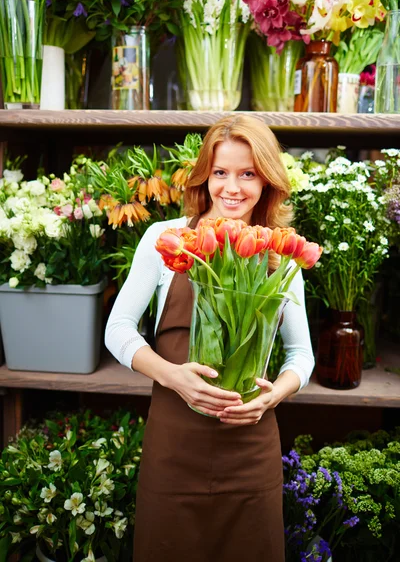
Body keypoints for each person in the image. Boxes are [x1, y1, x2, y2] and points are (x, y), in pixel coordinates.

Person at [105, 114, 315, 562]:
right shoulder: (167, 240)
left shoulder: (280, 251)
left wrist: (273, 395)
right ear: (205, 176)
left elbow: (301, 356)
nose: (232, 188)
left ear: (267, 181)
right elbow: (117, 329)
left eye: (247, 174)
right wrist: (174, 377)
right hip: (174, 445)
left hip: (249, 446)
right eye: (220, 173)